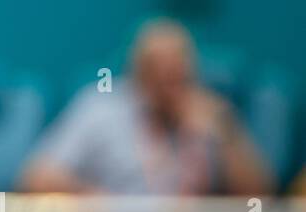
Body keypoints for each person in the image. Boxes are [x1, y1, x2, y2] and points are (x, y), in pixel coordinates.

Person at [19, 20, 274, 196]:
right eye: (157, 71)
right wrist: (96, 199)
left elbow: (259, 194)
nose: (167, 82)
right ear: (136, 70)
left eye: (177, 72)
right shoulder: (99, 108)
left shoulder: (213, 113)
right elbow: (37, 178)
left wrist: (227, 137)